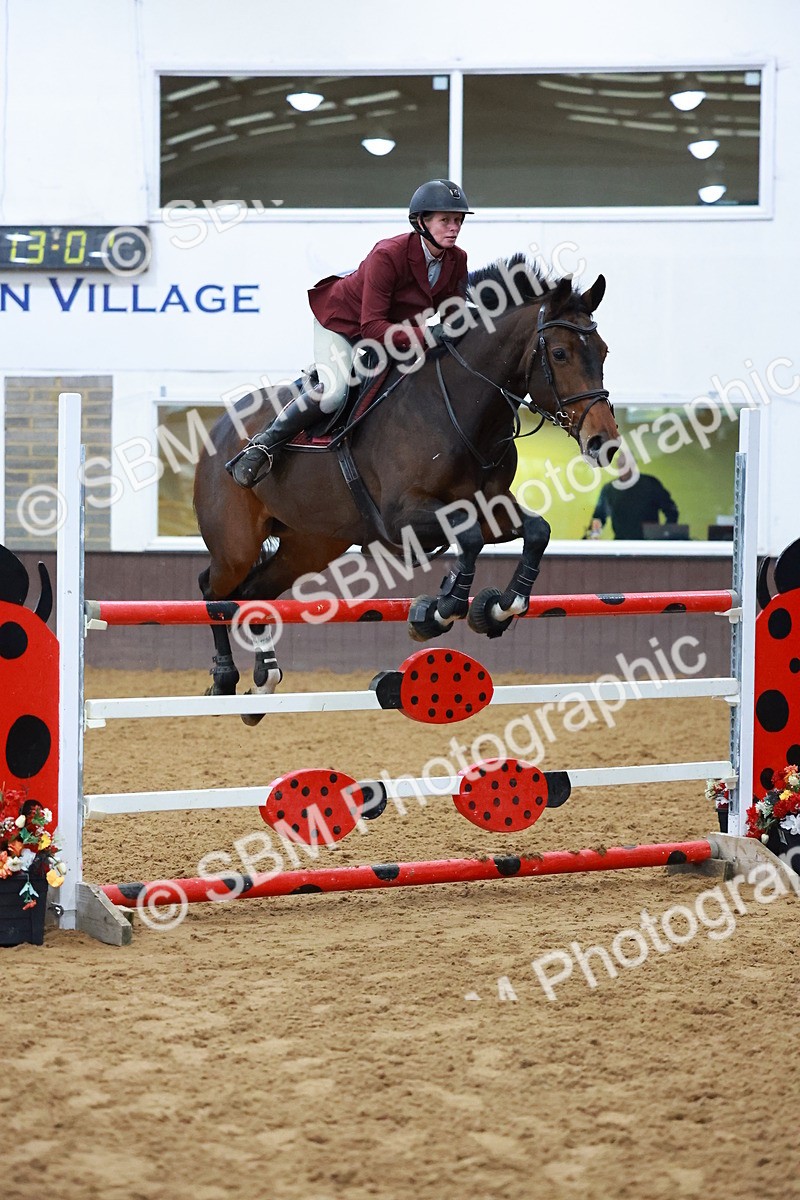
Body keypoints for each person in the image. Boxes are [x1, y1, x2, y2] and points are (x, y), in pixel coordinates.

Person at [228, 179, 472, 487]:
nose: (454, 227)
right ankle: (264, 444)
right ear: (421, 222)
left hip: (394, 333)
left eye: (458, 221)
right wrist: (426, 336)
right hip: (343, 324)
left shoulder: (457, 259)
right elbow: (371, 326)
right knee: (334, 394)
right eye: (445, 220)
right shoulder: (389, 254)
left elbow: (454, 316)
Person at [589, 452, 679, 540]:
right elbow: (599, 517)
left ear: (633, 464)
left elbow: (671, 510)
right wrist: (594, 535)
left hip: (649, 545)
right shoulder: (609, 489)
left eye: (626, 464)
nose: (623, 468)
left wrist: (665, 535)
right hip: (622, 545)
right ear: (617, 465)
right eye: (621, 464)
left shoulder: (650, 484)